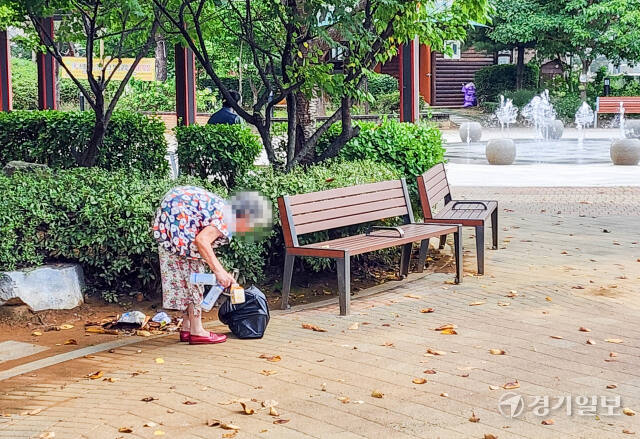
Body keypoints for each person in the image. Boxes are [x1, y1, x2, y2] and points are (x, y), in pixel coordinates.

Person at [152, 187, 271, 345]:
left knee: (185, 276)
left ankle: (187, 327)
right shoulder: (228, 219)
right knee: (194, 277)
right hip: (179, 222)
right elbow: (202, 241)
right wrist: (219, 272)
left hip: (173, 222)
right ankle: (197, 331)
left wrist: (221, 272)